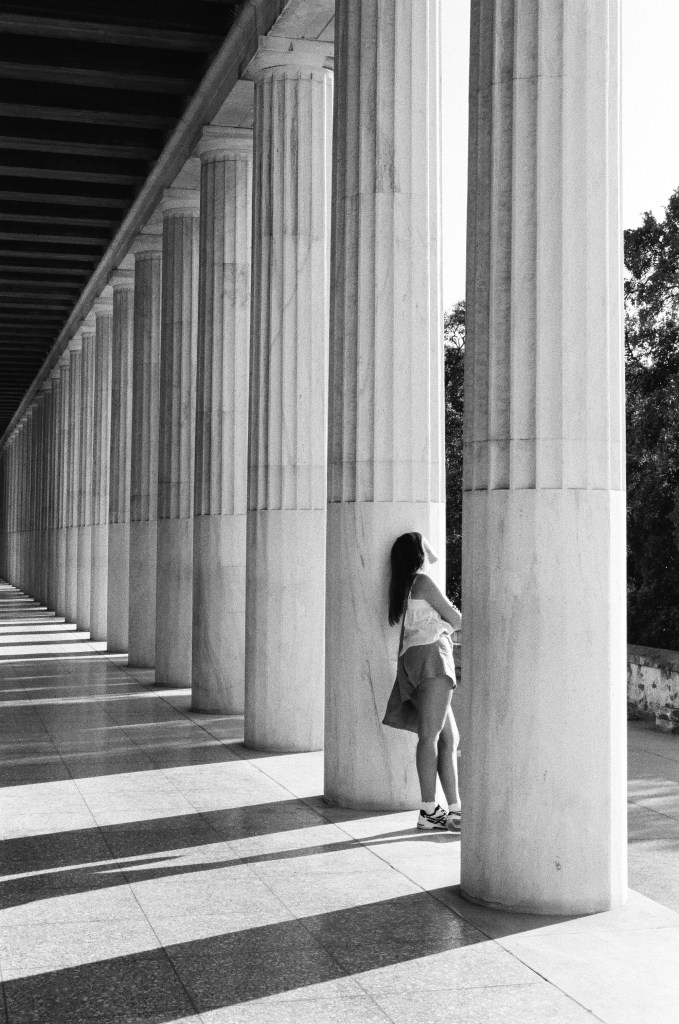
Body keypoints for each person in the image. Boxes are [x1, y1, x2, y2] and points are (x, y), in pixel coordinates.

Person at [385, 531, 462, 832]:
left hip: (414, 660)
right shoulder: (422, 581)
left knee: (448, 737)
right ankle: (429, 809)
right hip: (432, 657)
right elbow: (457, 619)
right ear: (418, 552)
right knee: (430, 736)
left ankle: (454, 809)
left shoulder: (404, 585)